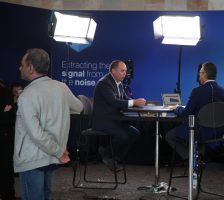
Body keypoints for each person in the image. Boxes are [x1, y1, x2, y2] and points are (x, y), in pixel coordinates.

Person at [14, 48, 83, 200]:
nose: (20, 67)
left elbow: (35, 133)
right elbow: (79, 107)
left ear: (31, 67)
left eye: (22, 64)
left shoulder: (27, 95)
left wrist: (58, 152)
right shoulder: (61, 88)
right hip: (51, 158)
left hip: (33, 159)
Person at [165, 62, 224, 160]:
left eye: (200, 73)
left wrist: (177, 108)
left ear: (204, 74)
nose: (199, 76)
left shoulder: (197, 91)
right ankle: (198, 153)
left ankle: (192, 157)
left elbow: (185, 114)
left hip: (200, 132)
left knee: (170, 136)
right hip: (219, 132)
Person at [92, 60, 146, 170]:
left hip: (114, 120)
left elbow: (125, 99)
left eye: (125, 71)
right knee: (124, 137)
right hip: (103, 121)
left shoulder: (119, 83)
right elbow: (114, 102)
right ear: (113, 71)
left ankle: (113, 157)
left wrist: (136, 102)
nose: (125, 73)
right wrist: (134, 103)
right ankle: (107, 155)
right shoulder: (104, 83)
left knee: (135, 133)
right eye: (122, 71)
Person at [0, 79, 16, 200]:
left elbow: (9, 117)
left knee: (6, 170)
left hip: (5, 137)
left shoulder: (5, 92)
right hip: (5, 135)